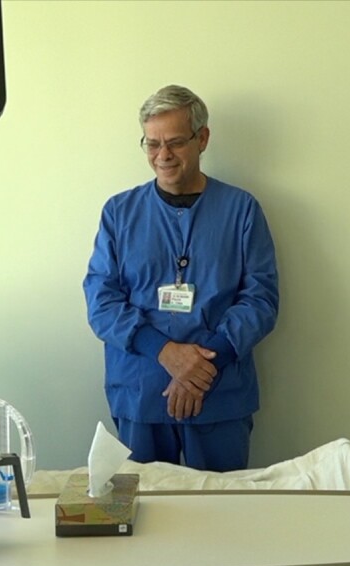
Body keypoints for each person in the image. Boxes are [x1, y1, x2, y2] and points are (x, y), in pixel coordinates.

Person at [84, 84, 279, 471]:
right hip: (142, 391)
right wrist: (164, 351)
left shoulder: (241, 210)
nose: (163, 156)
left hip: (219, 392)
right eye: (152, 144)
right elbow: (101, 300)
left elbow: (261, 299)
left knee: (222, 515)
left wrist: (201, 366)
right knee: (146, 517)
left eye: (174, 142)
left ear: (202, 138)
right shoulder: (119, 213)